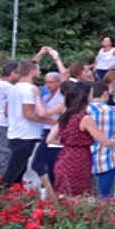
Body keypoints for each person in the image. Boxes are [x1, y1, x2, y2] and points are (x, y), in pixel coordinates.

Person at [79, 80, 115, 198]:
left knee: (84, 198)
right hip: (107, 161)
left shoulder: (80, 111)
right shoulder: (112, 111)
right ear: (105, 94)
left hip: (83, 160)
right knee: (105, 198)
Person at [0, 62, 47, 189]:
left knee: (20, 169)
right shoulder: (29, 89)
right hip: (26, 134)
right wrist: (50, 121)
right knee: (14, 169)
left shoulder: (14, 88)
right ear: (31, 71)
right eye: (38, 69)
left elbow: (6, 111)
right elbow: (29, 114)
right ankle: (0, 193)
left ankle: (16, 195)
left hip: (14, 132)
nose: (40, 72)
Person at [51, 87, 100, 197]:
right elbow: (100, 138)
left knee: (64, 193)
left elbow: (50, 139)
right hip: (80, 158)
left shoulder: (66, 116)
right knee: (80, 193)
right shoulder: (84, 118)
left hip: (65, 155)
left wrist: (68, 143)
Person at [30, 71, 68, 199]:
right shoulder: (46, 97)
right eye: (46, 82)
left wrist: (36, 97)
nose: (48, 85)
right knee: (42, 164)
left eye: (51, 82)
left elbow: (43, 113)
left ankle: (53, 193)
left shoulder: (62, 98)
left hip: (55, 133)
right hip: (46, 131)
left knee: (46, 164)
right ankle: (51, 192)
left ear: (58, 82)